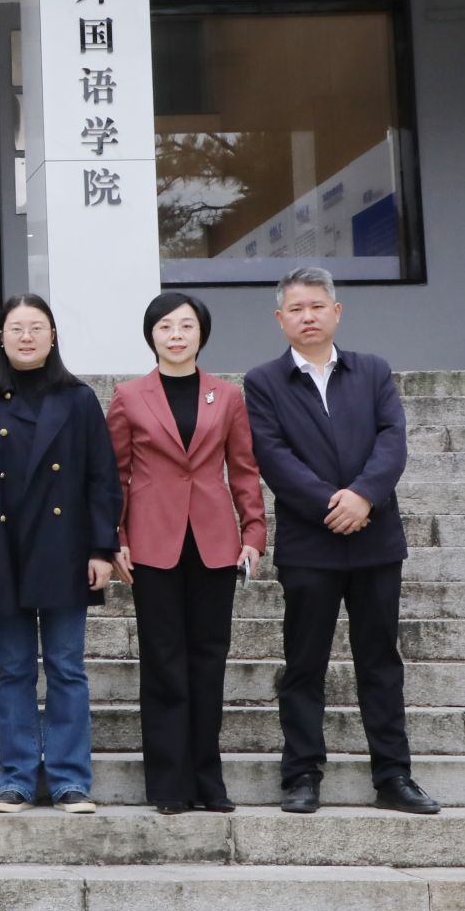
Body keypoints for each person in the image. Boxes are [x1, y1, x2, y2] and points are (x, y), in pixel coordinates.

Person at [243, 267, 437, 815]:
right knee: (304, 663)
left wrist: (364, 497)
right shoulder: (263, 382)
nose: (307, 316)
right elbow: (272, 455)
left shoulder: (371, 370)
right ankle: (302, 774)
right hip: (310, 543)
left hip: (375, 539)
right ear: (280, 318)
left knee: (380, 661)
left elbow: (392, 439)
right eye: (296, 308)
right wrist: (334, 504)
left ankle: (393, 776)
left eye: (317, 306)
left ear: (336, 311)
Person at [0, 294, 121, 814]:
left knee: (67, 666)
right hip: (3, 550)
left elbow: (102, 478)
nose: (26, 337)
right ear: (0, 338)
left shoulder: (79, 399)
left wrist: (102, 547)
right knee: (14, 668)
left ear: (52, 337)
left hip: (66, 549)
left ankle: (70, 779)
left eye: (37, 327)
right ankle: (17, 778)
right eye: (16, 328)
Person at [107, 293, 266, 815]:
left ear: (202, 334)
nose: (176, 335)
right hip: (153, 544)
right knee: (163, 663)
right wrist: (115, 537)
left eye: (186, 326)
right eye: (165, 327)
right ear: (151, 335)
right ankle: (169, 783)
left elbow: (244, 469)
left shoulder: (228, 395)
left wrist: (254, 532)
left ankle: (208, 780)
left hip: (214, 543)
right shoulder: (129, 396)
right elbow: (116, 474)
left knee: (208, 661)